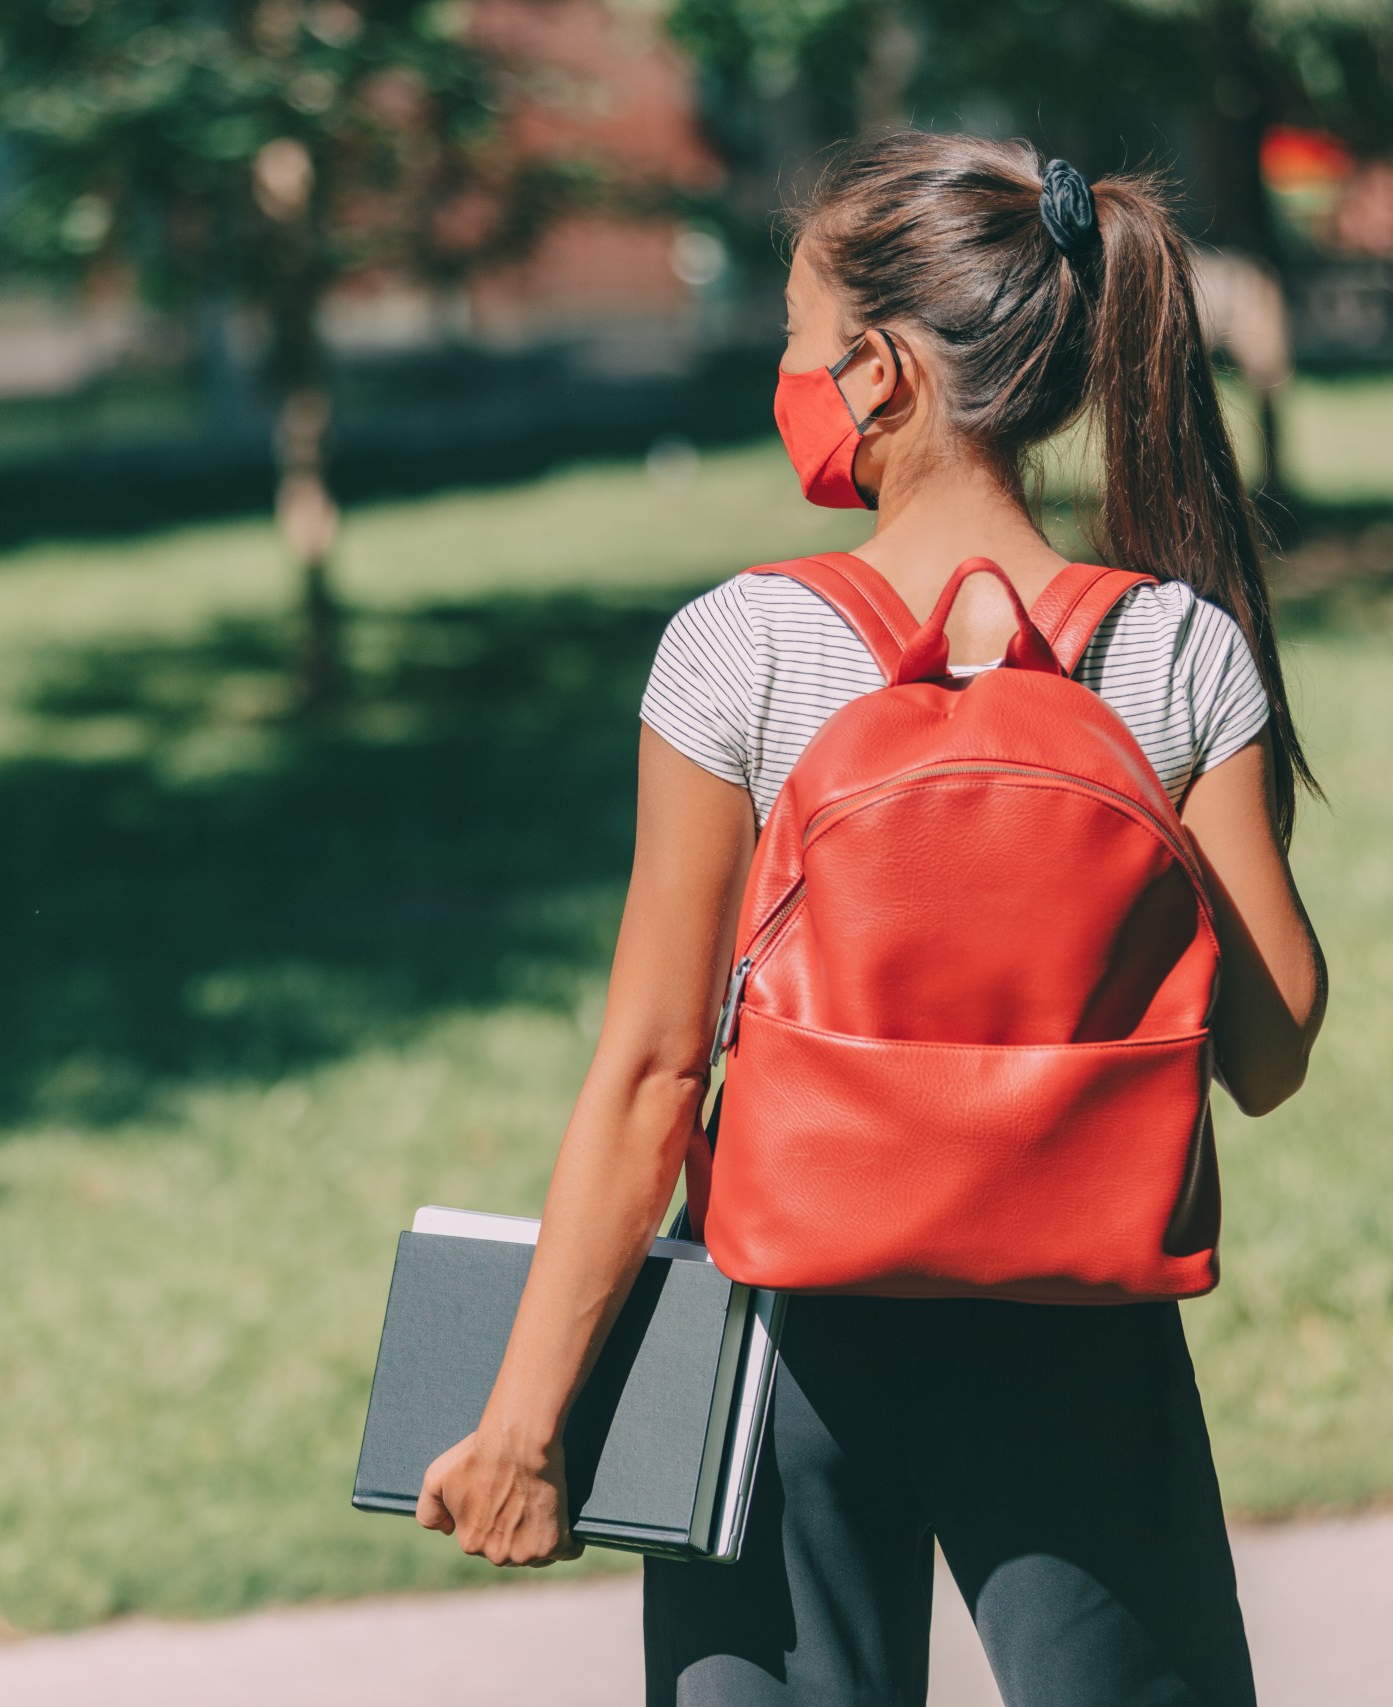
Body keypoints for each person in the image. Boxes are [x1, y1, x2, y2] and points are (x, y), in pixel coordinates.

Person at [415, 132, 1329, 1706]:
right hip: (1081, 1333)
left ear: (884, 372)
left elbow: (652, 1079)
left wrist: (524, 1422)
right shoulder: (1174, 647)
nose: (783, 371)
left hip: (787, 1349)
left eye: (794, 337)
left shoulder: (742, 646)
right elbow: (1269, 1049)